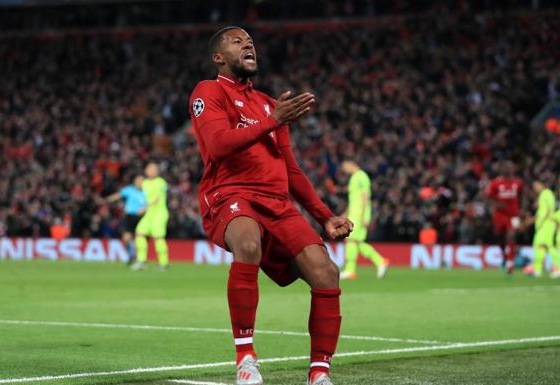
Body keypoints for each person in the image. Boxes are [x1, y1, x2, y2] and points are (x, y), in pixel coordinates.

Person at [189, 26, 353, 385]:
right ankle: (245, 359)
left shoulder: (267, 103)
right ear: (219, 57)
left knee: (326, 272)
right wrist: (271, 122)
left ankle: (319, 373)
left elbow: (291, 170)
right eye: (238, 41)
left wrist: (325, 217)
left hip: (277, 203)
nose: (248, 44)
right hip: (231, 194)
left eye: (251, 41)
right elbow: (217, 145)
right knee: (247, 242)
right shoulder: (209, 91)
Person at [338, 159, 389, 280]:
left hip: (359, 215)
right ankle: (380, 262)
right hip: (353, 214)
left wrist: (365, 216)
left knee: (351, 241)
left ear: (351, 164)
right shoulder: (354, 177)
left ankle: (352, 270)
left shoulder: (362, 176)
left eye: (345, 167)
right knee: (355, 241)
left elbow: (365, 197)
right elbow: (353, 199)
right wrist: (345, 213)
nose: (344, 170)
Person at [485, 161, 523, 274]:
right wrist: (496, 204)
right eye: (506, 167)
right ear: (502, 170)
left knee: (511, 235)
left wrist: (522, 211)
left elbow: (522, 196)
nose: (509, 170)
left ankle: (510, 263)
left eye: (511, 167)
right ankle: (504, 255)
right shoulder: (495, 183)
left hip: (514, 215)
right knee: (500, 236)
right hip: (500, 214)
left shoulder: (518, 182)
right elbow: (488, 198)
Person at [131, 162, 169, 271]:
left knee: (158, 237)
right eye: (150, 168)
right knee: (139, 233)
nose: (152, 170)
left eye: (154, 169)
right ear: (146, 170)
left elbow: (157, 198)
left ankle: (164, 263)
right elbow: (137, 188)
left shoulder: (161, 182)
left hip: (159, 213)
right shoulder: (145, 182)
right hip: (149, 213)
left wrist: (144, 208)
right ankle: (141, 261)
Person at [105, 174, 146, 265]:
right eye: (138, 180)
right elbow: (118, 195)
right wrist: (107, 199)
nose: (140, 183)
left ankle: (138, 258)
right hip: (129, 216)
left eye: (142, 181)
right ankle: (131, 254)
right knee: (126, 238)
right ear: (135, 182)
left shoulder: (146, 191)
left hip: (142, 217)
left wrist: (145, 209)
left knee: (138, 238)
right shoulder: (129, 189)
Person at [525, 181, 556, 277]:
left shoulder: (546, 193)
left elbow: (546, 210)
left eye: (536, 186)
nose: (535, 188)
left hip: (546, 225)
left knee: (548, 246)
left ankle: (558, 268)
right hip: (542, 226)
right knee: (539, 247)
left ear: (542, 184)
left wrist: (533, 220)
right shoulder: (543, 195)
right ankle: (537, 270)